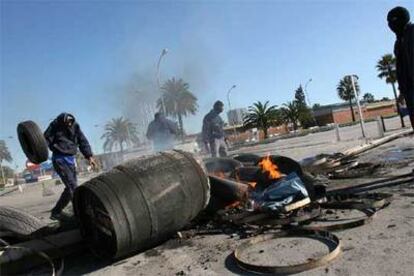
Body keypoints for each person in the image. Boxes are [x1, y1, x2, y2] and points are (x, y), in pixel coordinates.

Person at [44, 113, 96, 220]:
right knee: (73, 186)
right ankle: (81, 215)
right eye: (66, 122)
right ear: (62, 122)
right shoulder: (54, 126)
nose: (69, 124)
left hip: (70, 159)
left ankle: (56, 212)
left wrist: (89, 156)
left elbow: (82, 141)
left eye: (70, 122)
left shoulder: (75, 126)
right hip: (59, 159)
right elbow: (44, 140)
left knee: (70, 189)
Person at [387, 6, 414, 129]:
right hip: (409, 91)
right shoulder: (398, 43)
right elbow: (401, 68)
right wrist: (402, 91)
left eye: (393, 21)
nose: (391, 25)